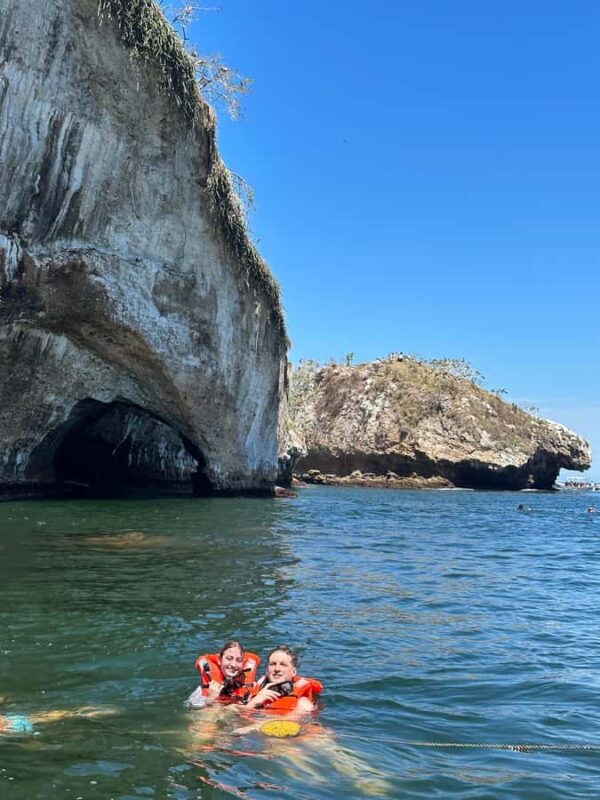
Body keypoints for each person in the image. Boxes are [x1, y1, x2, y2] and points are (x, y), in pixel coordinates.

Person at [245, 645, 322, 714]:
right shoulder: (252, 695)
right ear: (266, 670)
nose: (277, 669)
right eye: (273, 664)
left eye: (283, 665)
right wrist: (254, 702)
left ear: (294, 672)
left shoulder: (302, 704)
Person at [186, 640, 260, 709]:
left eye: (239, 660)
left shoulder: (251, 685)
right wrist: (210, 698)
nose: (234, 664)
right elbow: (191, 708)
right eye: (229, 658)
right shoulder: (204, 688)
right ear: (220, 660)